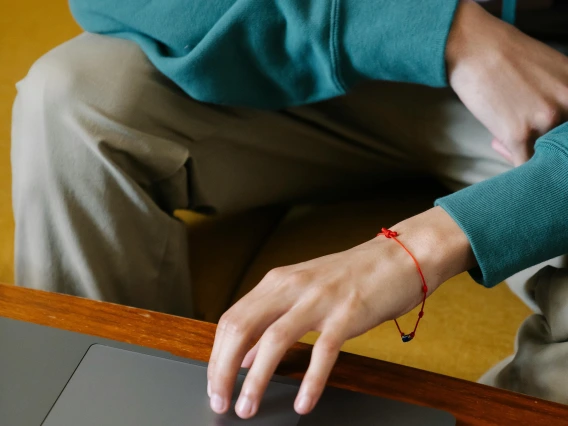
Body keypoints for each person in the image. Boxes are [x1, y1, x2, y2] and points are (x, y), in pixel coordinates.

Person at [11, 0, 568, 419]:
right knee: (69, 102)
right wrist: (448, 33)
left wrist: (417, 250)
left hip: (552, 92)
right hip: (306, 42)